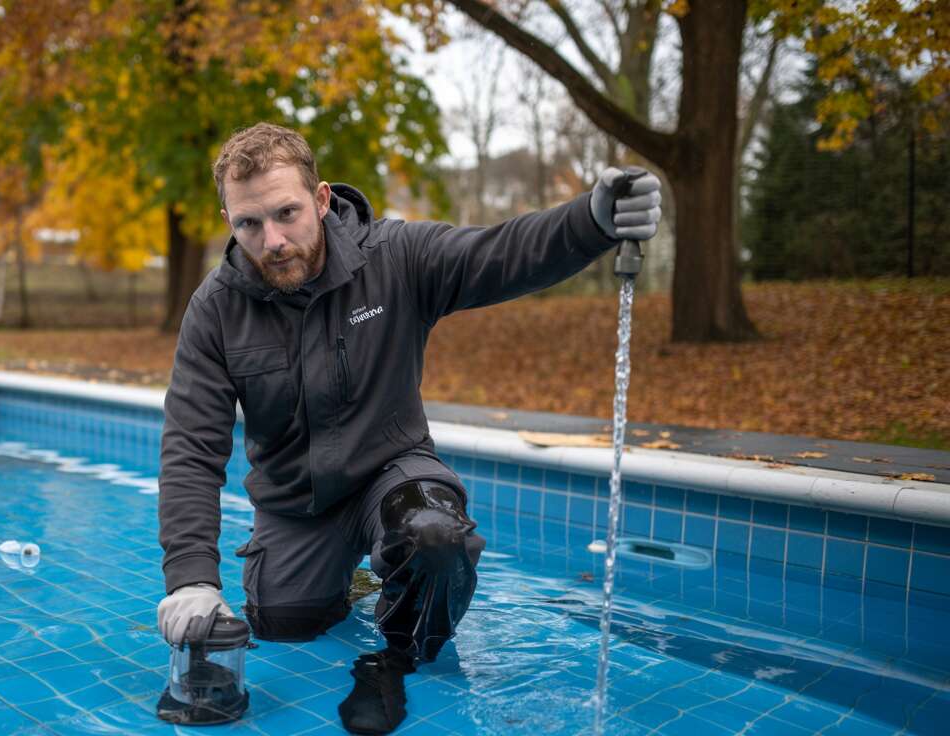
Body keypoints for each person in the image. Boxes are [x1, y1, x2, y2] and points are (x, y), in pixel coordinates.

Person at [156, 122, 661, 734]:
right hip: (297, 504)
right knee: (283, 622)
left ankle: (393, 658)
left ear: (320, 199)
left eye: (287, 213)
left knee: (435, 537)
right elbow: (191, 448)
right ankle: (355, 578)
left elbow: (500, 253)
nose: (274, 240)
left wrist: (592, 221)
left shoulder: (395, 257)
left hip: (392, 474)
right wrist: (191, 580)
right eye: (249, 224)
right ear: (228, 221)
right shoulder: (215, 309)